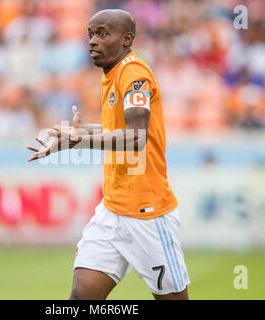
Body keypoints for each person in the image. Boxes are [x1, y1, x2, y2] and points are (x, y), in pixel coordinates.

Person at [27, 9, 189, 300]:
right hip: (112, 210)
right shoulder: (112, 74)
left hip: (147, 213)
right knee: (81, 297)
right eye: (90, 34)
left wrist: (83, 140)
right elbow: (119, 129)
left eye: (102, 34)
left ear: (127, 39)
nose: (93, 41)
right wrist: (81, 133)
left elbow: (136, 137)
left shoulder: (134, 74)